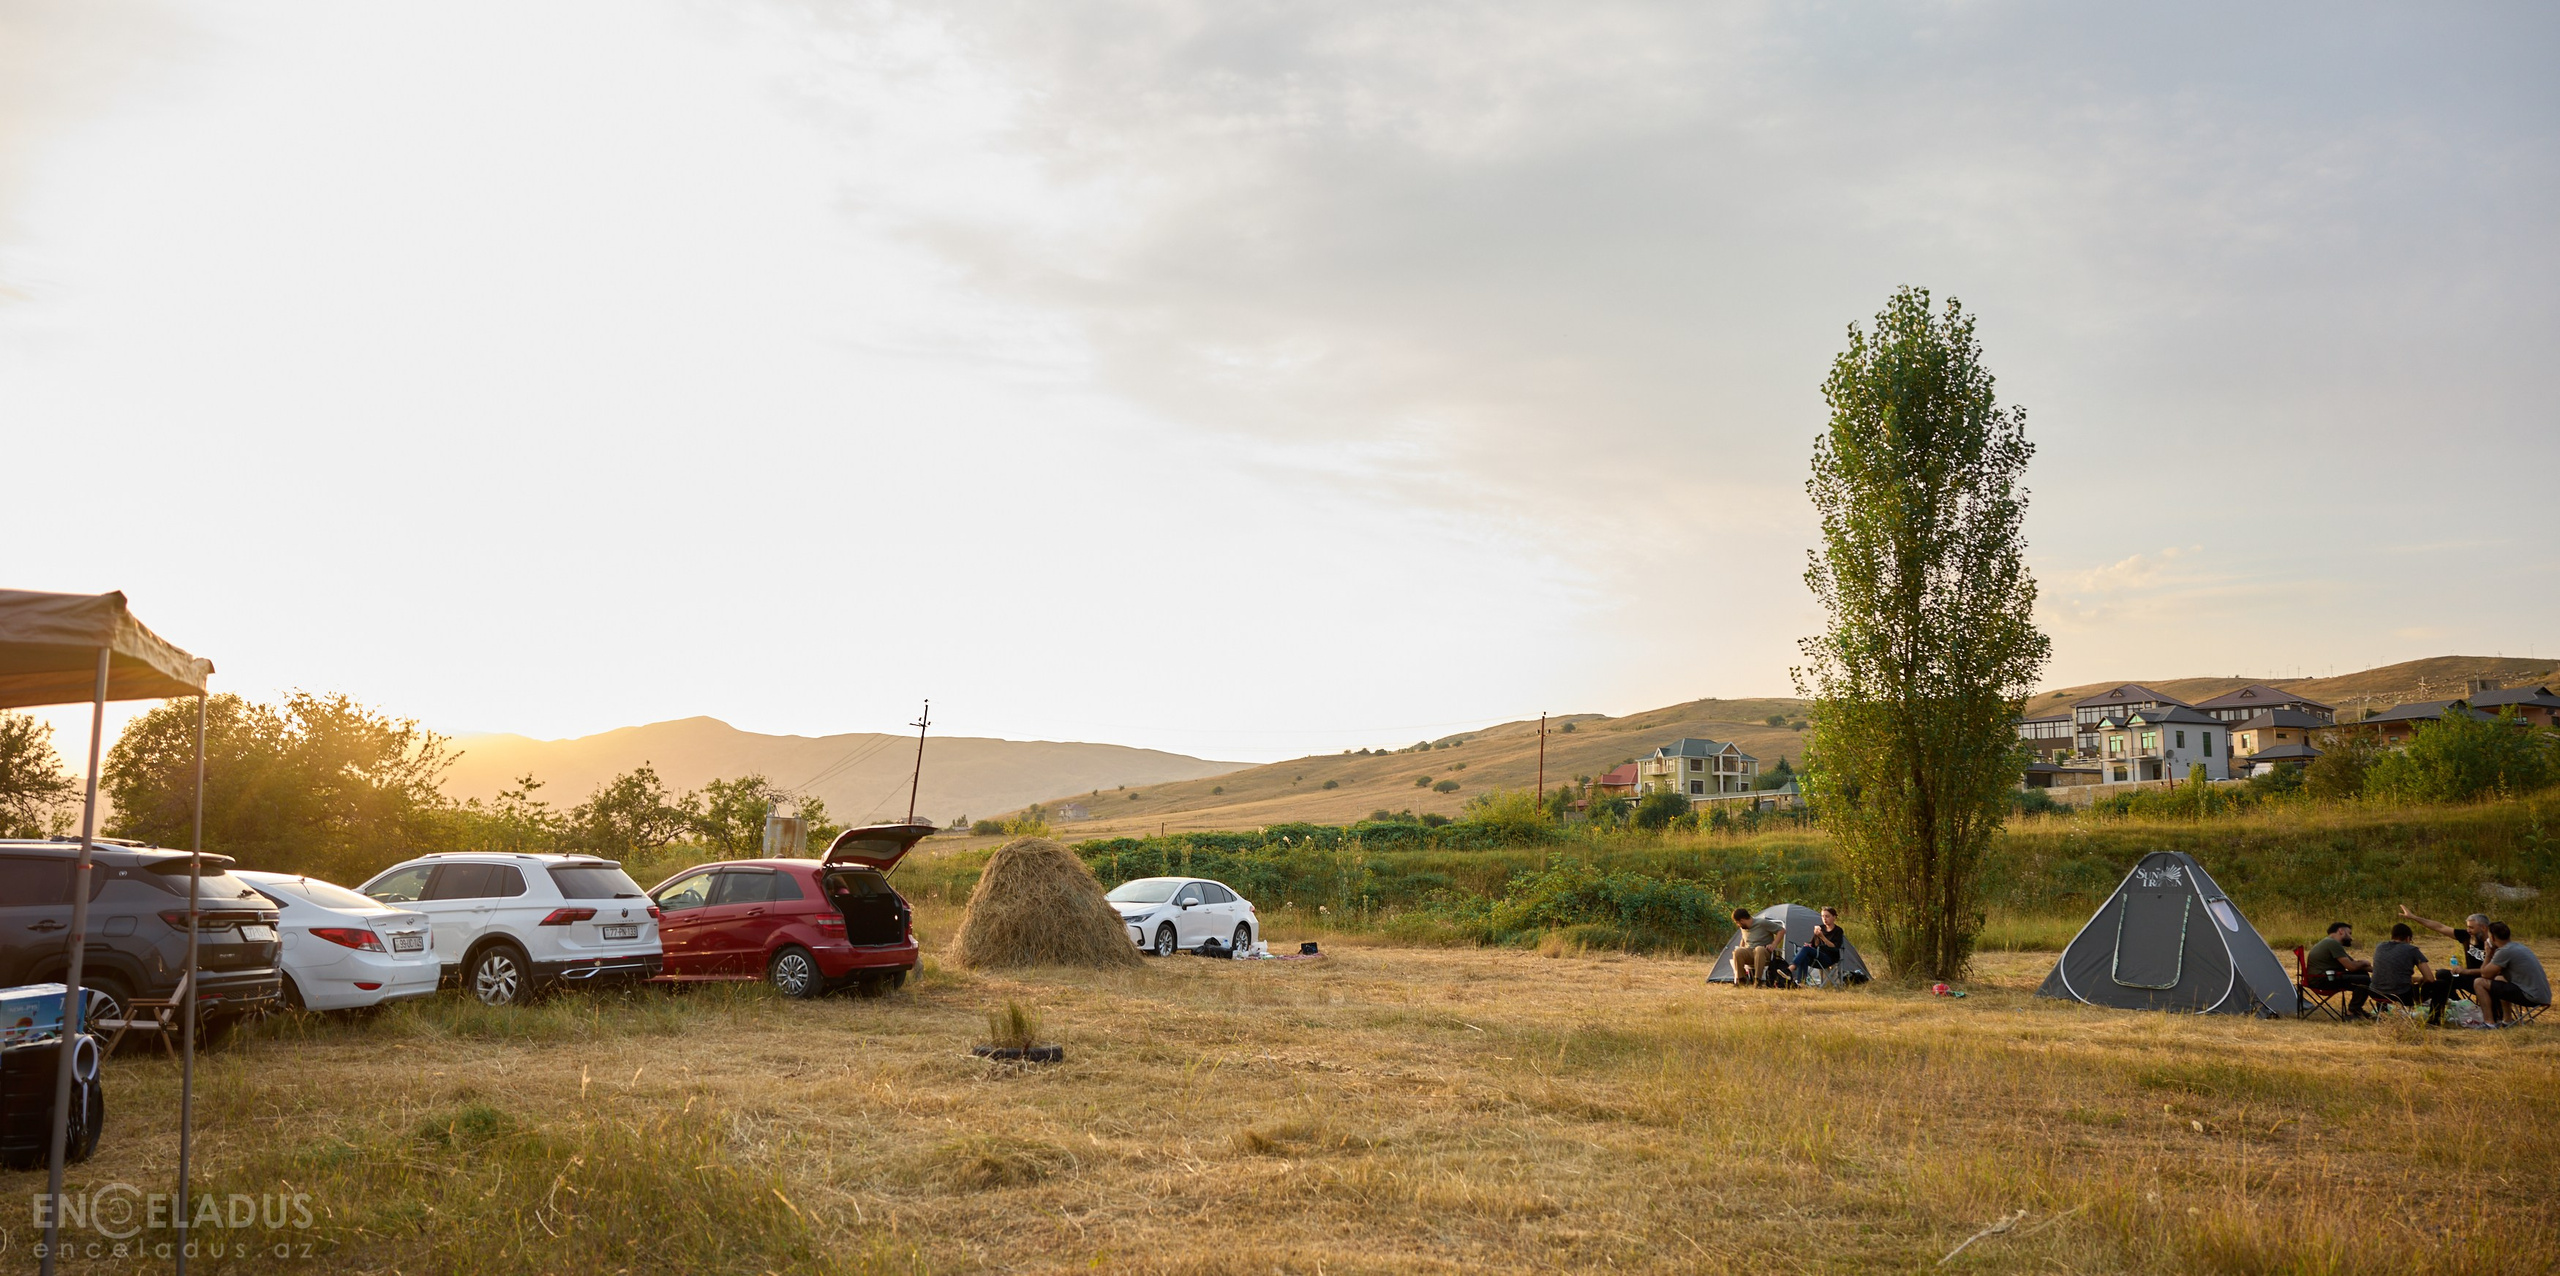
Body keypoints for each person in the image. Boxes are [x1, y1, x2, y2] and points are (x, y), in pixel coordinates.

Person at [2470, 922, 2550, 1024]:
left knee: (2479, 982)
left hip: (2530, 996)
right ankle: (2507, 1020)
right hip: (2542, 995)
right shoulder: (2518, 946)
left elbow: (2485, 974)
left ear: (2493, 938)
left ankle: (2489, 1023)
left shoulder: (2504, 951)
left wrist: (2488, 954)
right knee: (2499, 979)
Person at [2304, 921, 2373, 1019]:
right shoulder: (2332, 943)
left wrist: (2377, 970)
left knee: (2362, 973)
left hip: (2326, 977)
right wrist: (2364, 962)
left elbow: (2354, 964)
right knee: (2364, 980)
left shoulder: (2330, 943)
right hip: (2322, 980)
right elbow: (2352, 967)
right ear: (2341, 931)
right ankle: (2352, 1012)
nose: (2351, 938)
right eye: (2349, 933)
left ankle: (2356, 1009)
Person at [2367, 923, 2435, 1018]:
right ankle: (2435, 1018)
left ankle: (2383, 1013)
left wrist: (2416, 979)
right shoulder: (2411, 950)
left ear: (2392, 936)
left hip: (2375, 992)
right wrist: (2421, 981)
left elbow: (2391, 973)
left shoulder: (2380, 947)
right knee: (2439, 985)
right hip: (2401, 996)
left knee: (2384, 982)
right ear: (2408, 938)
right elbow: (2430, 978)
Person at [1729, 908, 1789, 987]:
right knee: (1738, 951)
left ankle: (1758, 980)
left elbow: (1781, 930)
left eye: (1737, 922)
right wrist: (1741, 948)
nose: (1738, 925)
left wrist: (1774, 944)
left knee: (1759, 949)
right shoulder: (1744, 928)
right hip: (1750, 952)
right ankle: (1741, 980)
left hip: (1764, 952)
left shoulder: (1762, 923)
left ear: (1742, 920)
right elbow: (1743, 939)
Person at [1790, 906, 1847, 986]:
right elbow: (1814, 945)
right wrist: (1815, 937)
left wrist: (1822, 937)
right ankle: (1801, 983)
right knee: (1804, 955)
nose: (1824, 919)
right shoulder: (1821, 928)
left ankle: (1791, 968)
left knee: (1806, 950)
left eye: (1827, 916)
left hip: (1829, 959)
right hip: (1817, 956)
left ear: (1834, 917)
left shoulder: (1838, 930)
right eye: (1823, 916)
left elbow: (1834, 947)